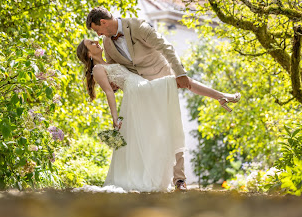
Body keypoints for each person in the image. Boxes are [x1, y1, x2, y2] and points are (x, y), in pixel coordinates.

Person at [85, 7, 240, 190]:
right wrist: (115, 84)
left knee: (172, 124)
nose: (98, 34)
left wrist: (179, 72)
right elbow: (114, 67)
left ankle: (179, 180)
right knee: (151, 133)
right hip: (139, 89)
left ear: (103, 22)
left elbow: (165, 47)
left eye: (97, 29)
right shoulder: (107, 43)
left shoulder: (137, 26)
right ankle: (152, 177)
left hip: (160, 75)